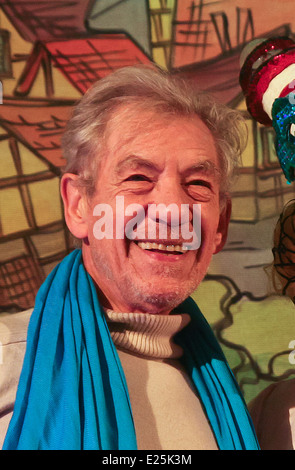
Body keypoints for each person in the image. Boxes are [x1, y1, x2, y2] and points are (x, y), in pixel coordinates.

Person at [0, 65, 260, 450]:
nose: (172, 209)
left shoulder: (224, 393)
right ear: (78, 206)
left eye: (198, 184)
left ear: (220, 224)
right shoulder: (8, 359)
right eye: (138, 178)